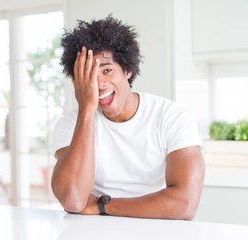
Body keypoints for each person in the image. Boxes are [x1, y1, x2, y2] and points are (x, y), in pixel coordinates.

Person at [51, 16, 205, 220]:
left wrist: (102, 205)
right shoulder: (70, 125)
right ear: (77, 83)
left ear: (127, 70)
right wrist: (86, 110)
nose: (99, 84)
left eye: (107, 70)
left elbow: (184, 205)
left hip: (156, 228)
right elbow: (73, 199)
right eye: (88, 77)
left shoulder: (173, 117)